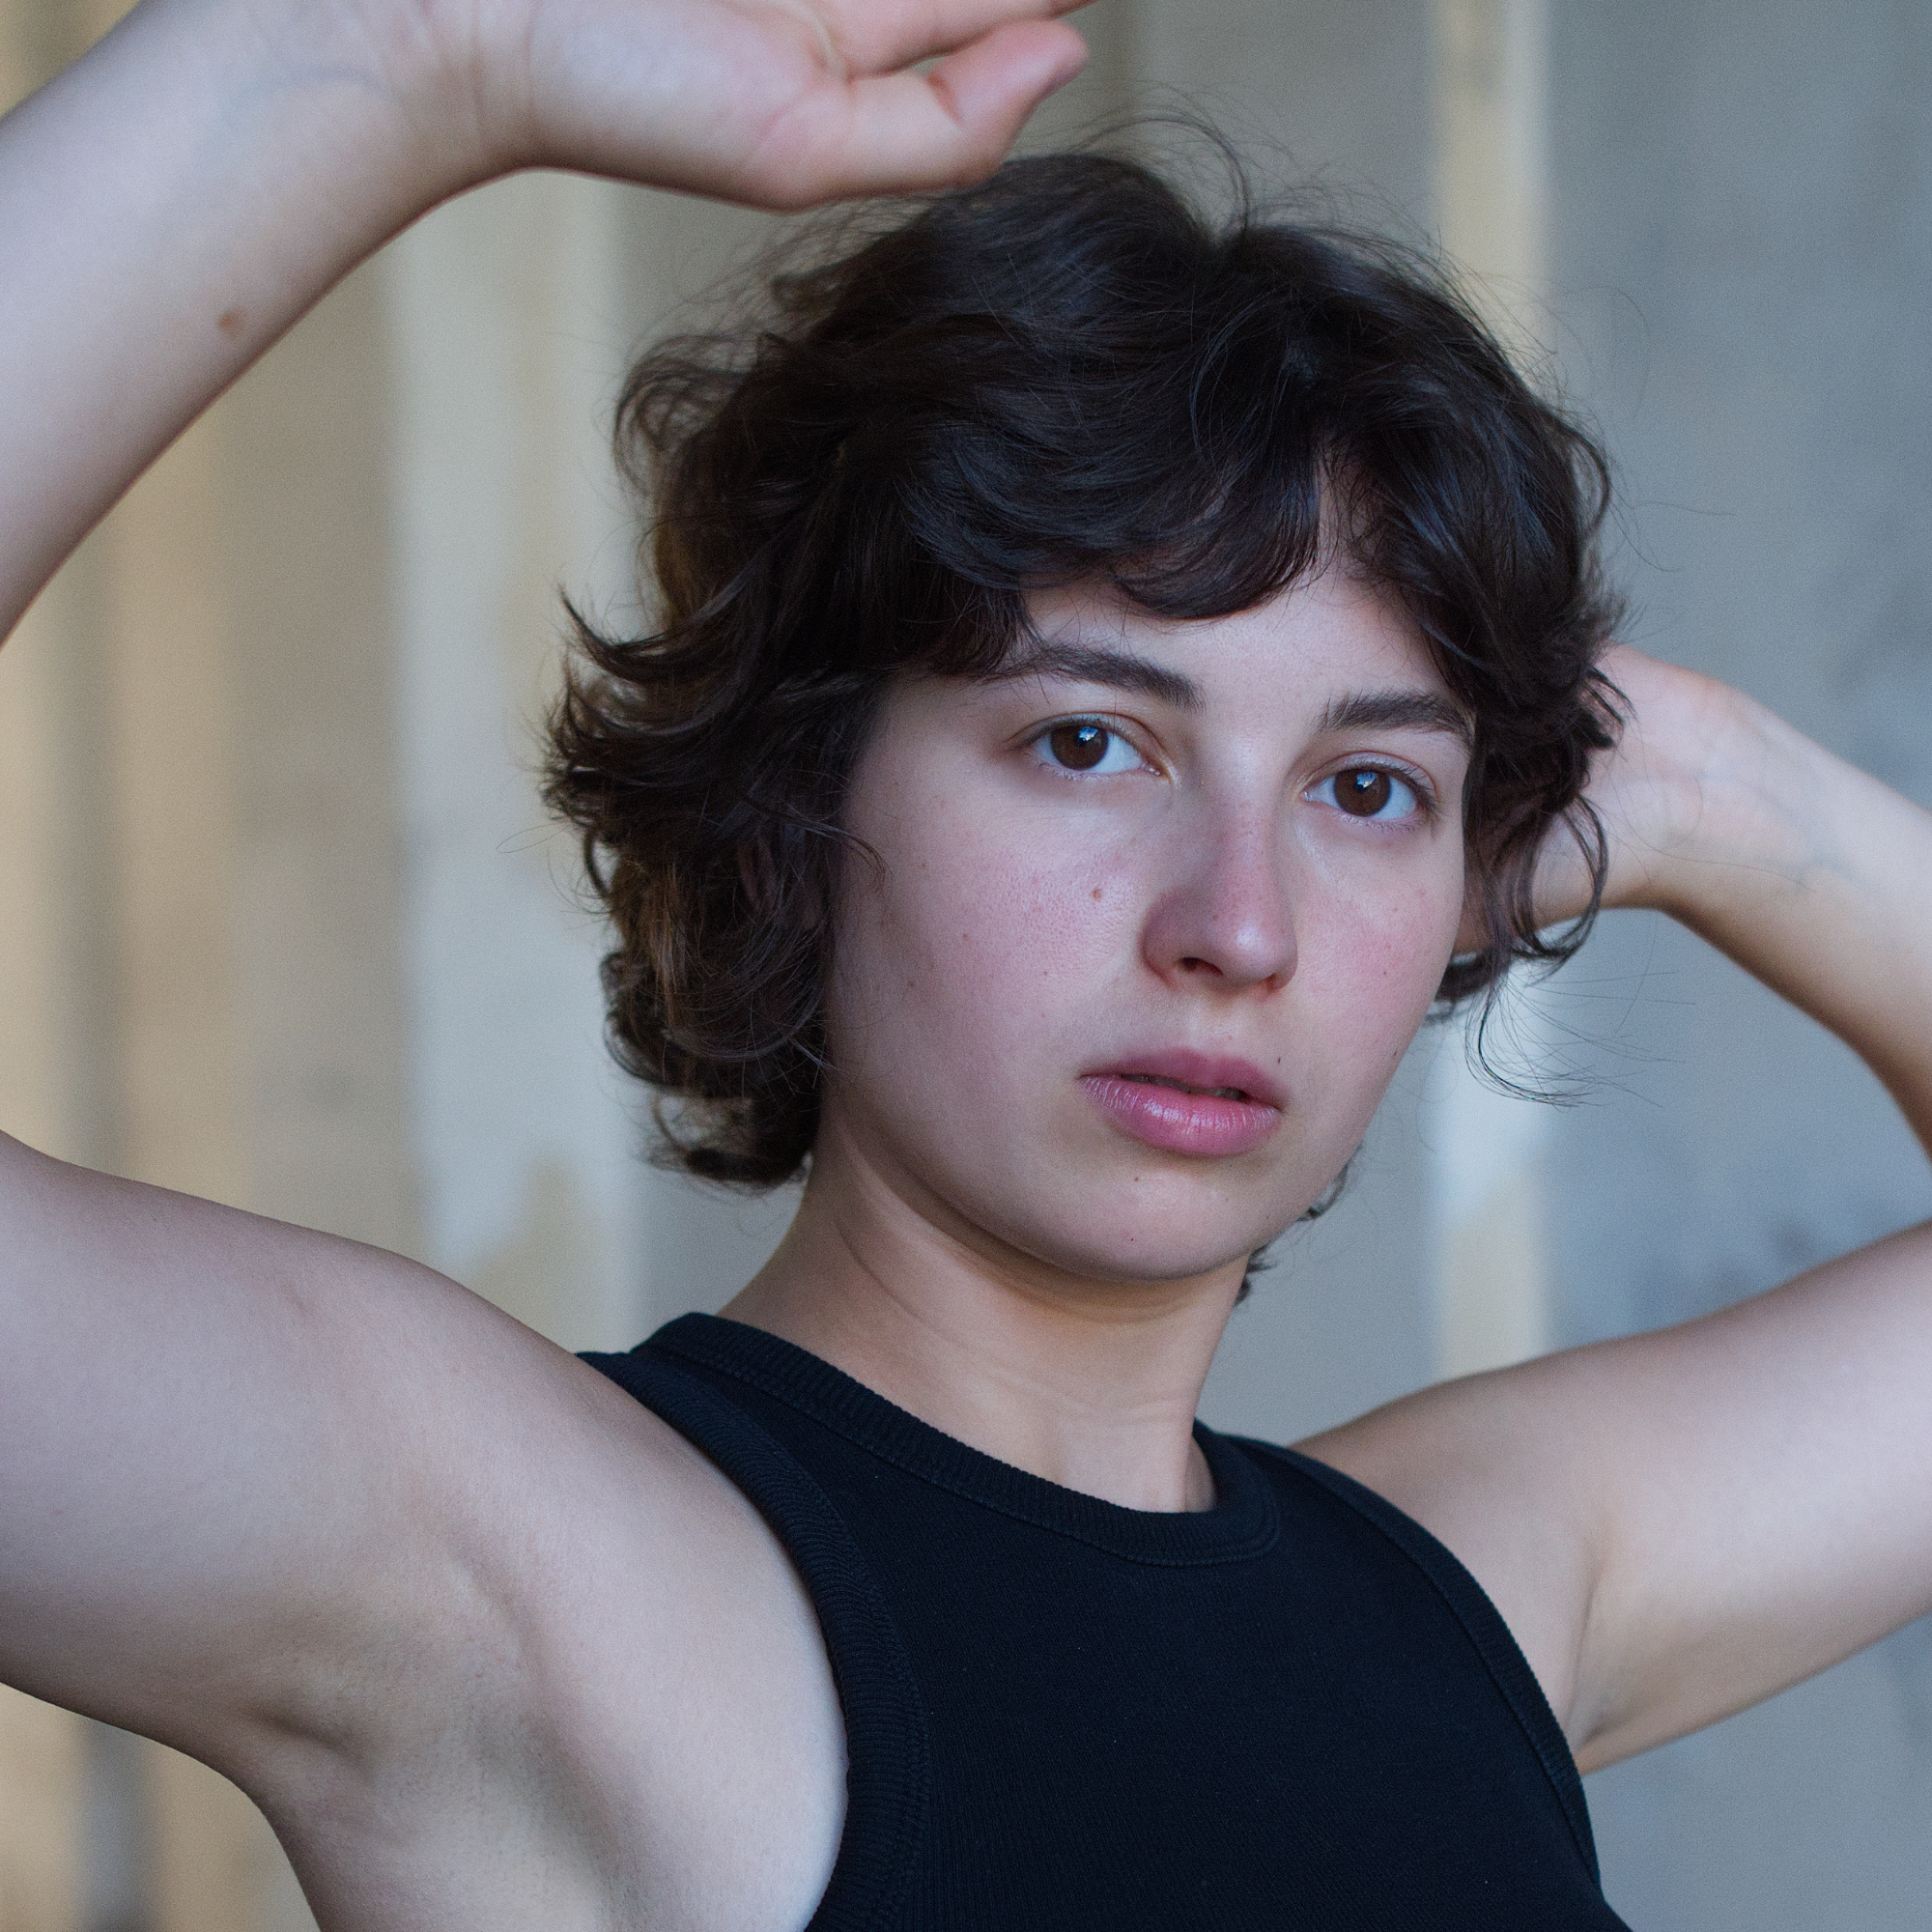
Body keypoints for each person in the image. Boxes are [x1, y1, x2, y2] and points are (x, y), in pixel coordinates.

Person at [0, 0, 1928, 1923]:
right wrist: (417, 50)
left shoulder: (1477, 1587)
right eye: (1089, 741)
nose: (1238, 925)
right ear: (793, 803)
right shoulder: (520, 1567)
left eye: (1363, 789)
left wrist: (1709, 789)